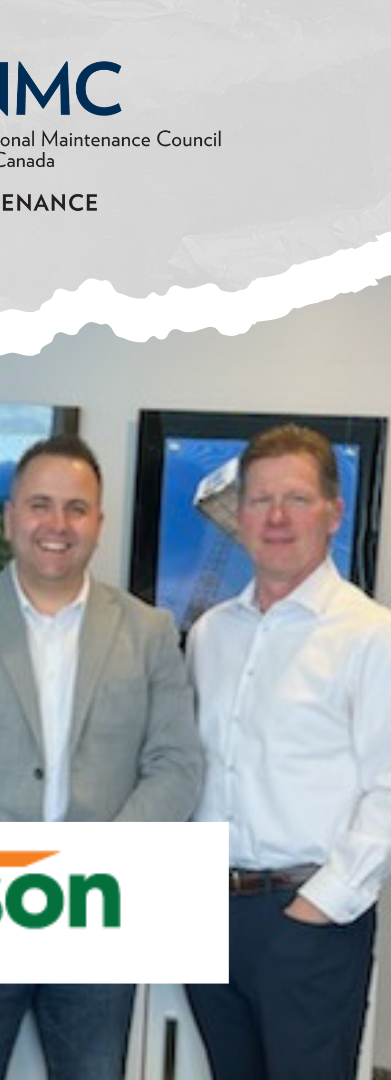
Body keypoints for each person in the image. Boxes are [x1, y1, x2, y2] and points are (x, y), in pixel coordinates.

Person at [0, 432, 202, 1080]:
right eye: (40, 505)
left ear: (98, 523)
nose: (57, 524)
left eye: (76, 508)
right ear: (9, 518)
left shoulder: (147, 631)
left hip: (99, 909)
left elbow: (177, 764)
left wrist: (96, 868)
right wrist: (6, 868)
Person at [186, 424, 391, 1080]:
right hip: (209, 915)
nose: (276, 517)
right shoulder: (210, 634)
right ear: (239, 515)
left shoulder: (371, 636)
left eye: (297, 499)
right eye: (260, 499)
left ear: (334, 512)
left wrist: (320, 906)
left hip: (307, 918)